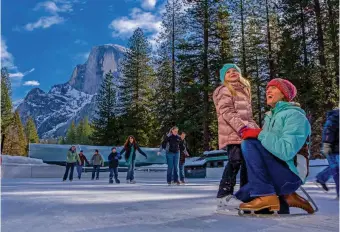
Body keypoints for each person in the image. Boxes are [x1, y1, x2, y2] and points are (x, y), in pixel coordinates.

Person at [234, 78, 314, 214]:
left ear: (284, 94)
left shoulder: (295, 116)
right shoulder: (270, 117)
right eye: (267, 89)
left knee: (249, 144)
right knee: (239, 200)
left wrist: (259, 134)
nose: (268, 91)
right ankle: (287, 197)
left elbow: (286, 151)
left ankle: (268, 195)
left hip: (291, 175)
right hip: (274, 174)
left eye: (273, 88)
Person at [212, 63, 259, 207]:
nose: (232, 73)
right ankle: (224, 194)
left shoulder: (244, 91)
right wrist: (242, 129)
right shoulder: (224, 90)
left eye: (235, 71)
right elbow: (227, 112)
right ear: (223, 77)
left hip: (245, 133)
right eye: (228, 72)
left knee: (247, 164)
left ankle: (246, 195)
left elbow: (248, 118)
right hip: (233, 133)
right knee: (235, 161)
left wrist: (258, 130)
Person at [315, 108, 339, 198]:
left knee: (336, 170)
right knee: (336, 171)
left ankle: (321, 178)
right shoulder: (335, 118)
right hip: (333, 150)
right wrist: (326, 145)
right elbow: (328, 132)